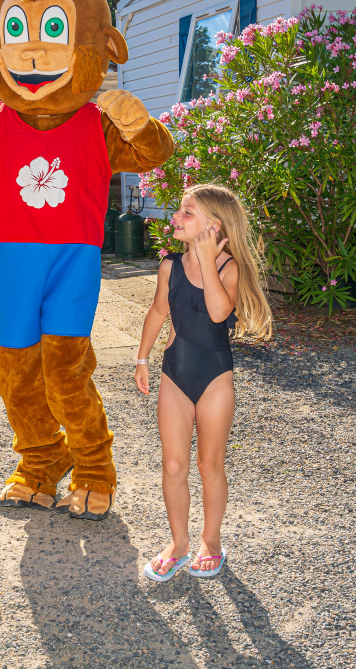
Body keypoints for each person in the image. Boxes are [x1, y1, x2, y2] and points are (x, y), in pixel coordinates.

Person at [134, 184, 273, 582]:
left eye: (187, 213)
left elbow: (216, 312)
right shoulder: (169, 267)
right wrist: (142, 358)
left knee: (209, 464)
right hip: (174, 374)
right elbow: (157, 311)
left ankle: (210, 542)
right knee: (173, 464)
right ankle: (178, 544)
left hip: (215, 379)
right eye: (180, 211)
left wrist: (209, 260)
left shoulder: (229, 269)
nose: (176, 218)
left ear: (214, 226)